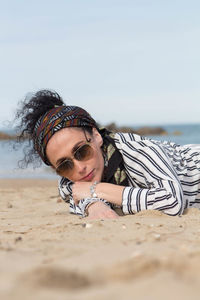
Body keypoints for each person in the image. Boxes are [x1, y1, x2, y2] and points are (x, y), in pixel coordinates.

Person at [15, 89, 200, 219]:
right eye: (64, 165)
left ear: (96, 136)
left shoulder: (135, 150)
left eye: (81, 151)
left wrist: (97, 190)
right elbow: (75, 198)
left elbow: (172, 201)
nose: (79, 168)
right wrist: (94, 204)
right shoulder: (70, 184)